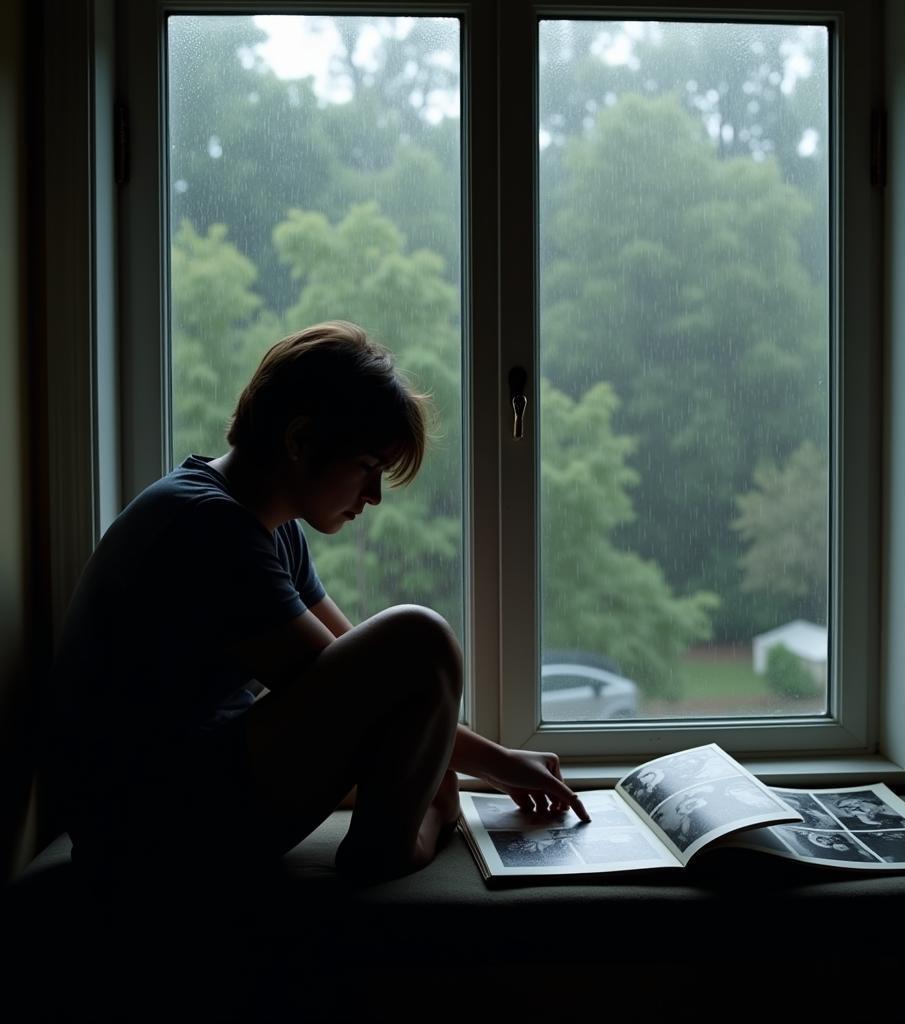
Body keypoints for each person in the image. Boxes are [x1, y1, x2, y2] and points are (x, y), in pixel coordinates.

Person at [43, 320, 590, 893]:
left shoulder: (268, 526)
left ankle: (427, 811)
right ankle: (404, 840)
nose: (374, 496)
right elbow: (384, 678)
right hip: (142, 833)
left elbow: (354, 670)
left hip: (179, 791)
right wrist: (498, 765)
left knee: (420, 728)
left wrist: (457, 753)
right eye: (367, 468)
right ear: (300, 441)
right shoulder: (208, 527)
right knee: (422, 638)